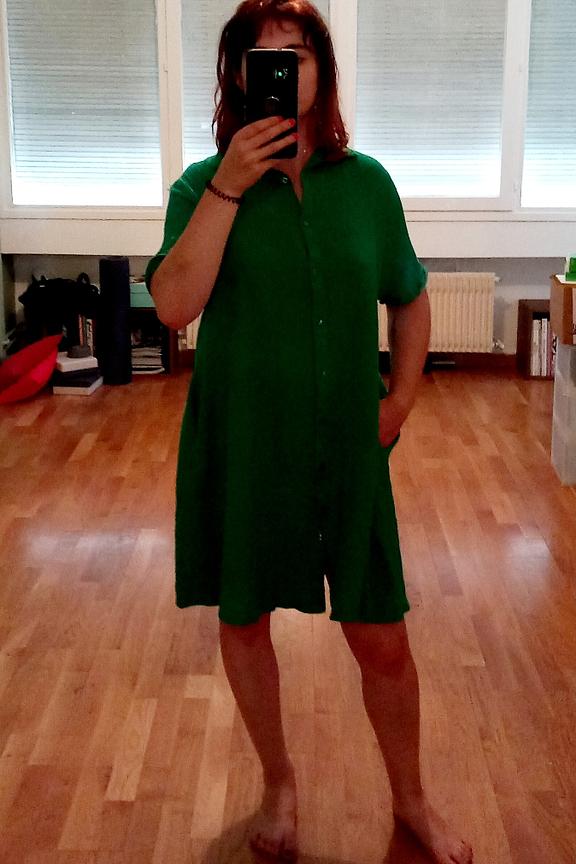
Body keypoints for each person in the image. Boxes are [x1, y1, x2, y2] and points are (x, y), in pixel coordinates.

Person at [145, 2, 473, 863]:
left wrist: (401, 400)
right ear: (236, 77)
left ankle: (412, 801)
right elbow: (173, 307)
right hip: (246, 447)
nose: (280, 69)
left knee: (383, 637)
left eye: (296, 53)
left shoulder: (366, 185)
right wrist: (229, 184)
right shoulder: (199, 188)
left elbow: (409, 295)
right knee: (246, 620)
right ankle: (278, 783)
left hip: (349, 449)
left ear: (321, 72)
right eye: (260, 56)